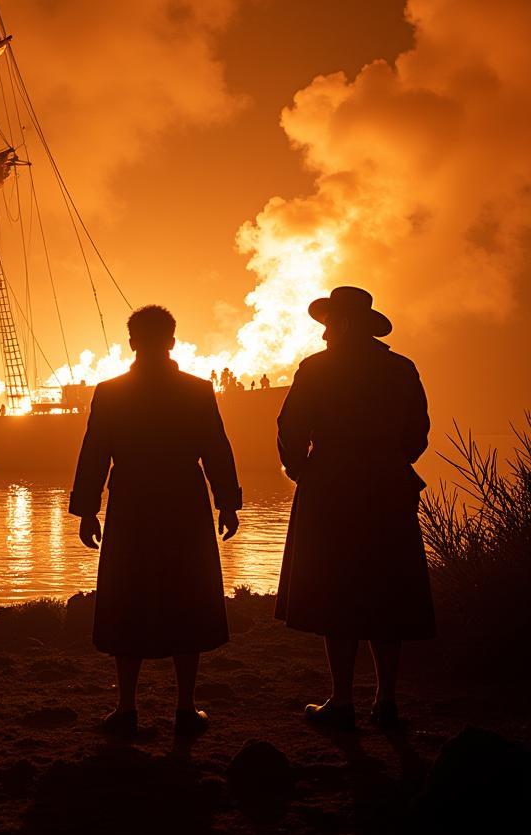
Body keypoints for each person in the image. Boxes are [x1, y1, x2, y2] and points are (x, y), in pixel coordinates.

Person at [69, 305, 242, 739]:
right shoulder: (197, 390)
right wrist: (227, 502)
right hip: (184, 499)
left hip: (131, 502)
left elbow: (94, 453)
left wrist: (87, 509)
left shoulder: (110, 393)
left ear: (132, 342)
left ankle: (126, 708)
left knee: (127, 597)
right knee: (189, 596)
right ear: (172, 340)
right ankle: (185, 707)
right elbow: (217, 449)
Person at [275, 286, 435, 730]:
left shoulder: (317, 369)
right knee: (387, 591)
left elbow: (289, 426)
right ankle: (385, 700)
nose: (324, 334)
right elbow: (418, 431)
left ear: (342, 324)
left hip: (331, 490)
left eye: (328, 324)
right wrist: (389, 462)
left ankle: (341, 700)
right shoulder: (401, 369)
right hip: (388, 490)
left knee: (335, 592)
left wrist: (302, 470)